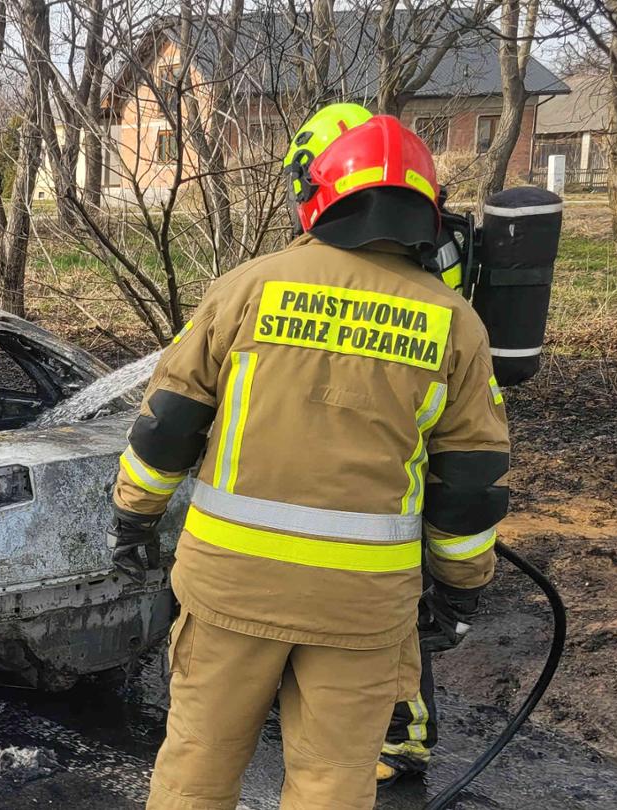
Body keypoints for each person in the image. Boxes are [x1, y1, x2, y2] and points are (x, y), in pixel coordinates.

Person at [108, 107, 507, 809]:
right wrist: (460, 587)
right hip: (362, 606)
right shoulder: (456, 324)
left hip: (231, 588)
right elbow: (470, 482)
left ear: (319, 196)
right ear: (428, 209)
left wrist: (133, 519)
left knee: (198, 765)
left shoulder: (247, 288)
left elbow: (168, 423)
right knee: (333, 781)